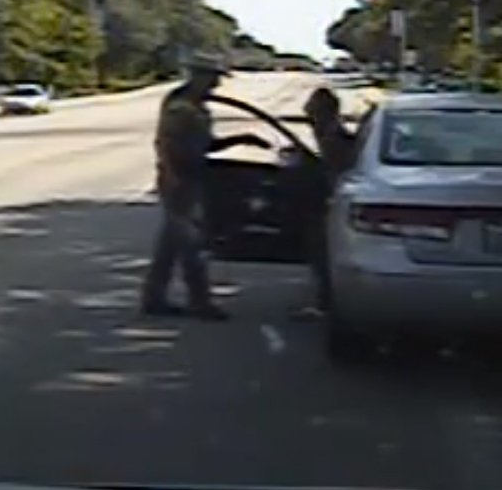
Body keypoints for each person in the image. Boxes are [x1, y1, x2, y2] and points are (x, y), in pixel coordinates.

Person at [140, 51, 269, 320]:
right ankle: (200, 302)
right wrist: (173, 176)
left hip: (191, 177)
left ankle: (154, 298)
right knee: (191, 244)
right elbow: (166, 143)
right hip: (180, 181)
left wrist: (241, 139)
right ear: (197, 76)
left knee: (171, 243)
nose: (216, 85)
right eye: (212, 78)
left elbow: (206, 145)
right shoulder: (181, 105)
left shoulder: (196, 106)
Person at [298, 87, 357, 317]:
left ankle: (326, 303)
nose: (309, 121)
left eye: (312, 114)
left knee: (323, 254)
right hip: (329, 201)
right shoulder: (329, 135)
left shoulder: (334, 138)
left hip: (333, 204)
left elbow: (334, 171)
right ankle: (325, 300)